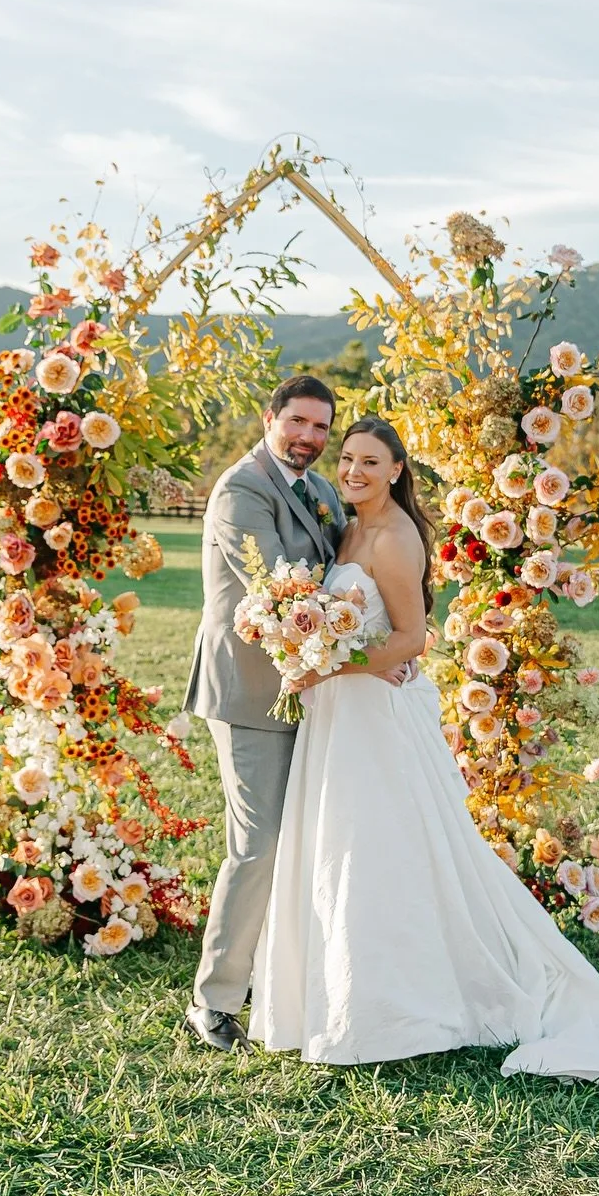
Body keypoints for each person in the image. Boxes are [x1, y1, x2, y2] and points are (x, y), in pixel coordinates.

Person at [248, 417, 599, 1083]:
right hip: (341, 716)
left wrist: (322, 664)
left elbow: (411, 637)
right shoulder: (350, 528)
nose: (353, 471)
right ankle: (336, 990)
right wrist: (306, 643)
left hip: (374, 717)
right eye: (348, 459)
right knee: (342, 846)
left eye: (370, 461)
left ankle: (403, 1005)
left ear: (398, 469)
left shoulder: (398, 537)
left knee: (386, 848)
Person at [182, 378, 416, 1052]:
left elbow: (355, 566)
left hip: (315, 690)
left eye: (321, 427)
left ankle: (274, 974)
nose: (309, 437)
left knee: (305, 839)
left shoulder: (317, 489)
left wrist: (390, 637)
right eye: (298, 422)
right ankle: (214, 999)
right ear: (270, 418)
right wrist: (375, 641)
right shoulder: (241, 491)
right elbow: (281, 587)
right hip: (252, 693)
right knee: (257, 844)